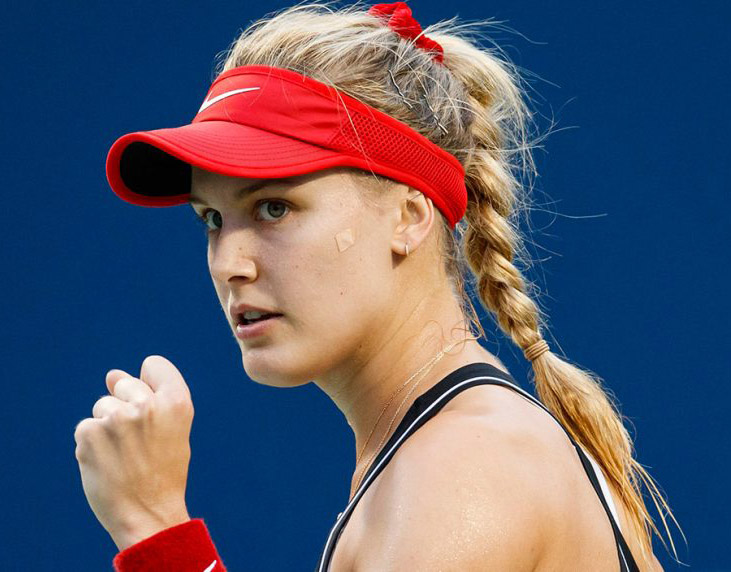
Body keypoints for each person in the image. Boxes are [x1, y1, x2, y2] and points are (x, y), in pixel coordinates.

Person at [81, 1, 681, 570]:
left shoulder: (460, 473)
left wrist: (154, 526)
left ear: (408, 217)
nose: (229, 263)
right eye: (212, 219)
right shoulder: (448, 453)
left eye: (274, 208)